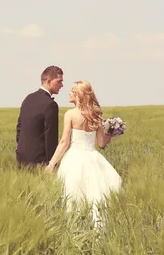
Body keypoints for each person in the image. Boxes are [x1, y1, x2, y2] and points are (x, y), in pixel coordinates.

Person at [45, 80, 122, 227]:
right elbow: (101, 143)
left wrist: (51, 164)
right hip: (93, 159)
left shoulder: (70, 114)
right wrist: (111, 133)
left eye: (72, 91)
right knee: (95, 196)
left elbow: (64, 143)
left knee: (73, 195)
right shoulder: (96, 115)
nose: (69, 93)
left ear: (79, 95)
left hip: (74, 158)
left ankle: (75, 227)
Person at [15, 65, 64, 169]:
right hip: (40, 161)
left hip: (21, 157)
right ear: (49, 81)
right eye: (59, 81)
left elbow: (19, 127)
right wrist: (52, 164)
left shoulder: (28, 98)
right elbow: (50, 137)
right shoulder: (50, 105)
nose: (62, 85)